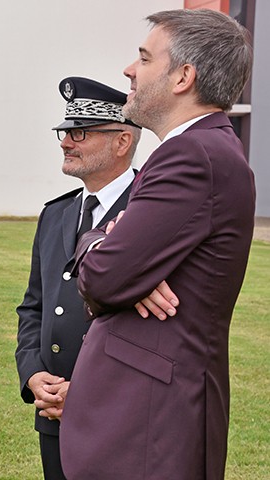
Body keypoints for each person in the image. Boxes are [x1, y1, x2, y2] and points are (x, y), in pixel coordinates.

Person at [60, 9, 254, 480]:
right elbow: (119, 269)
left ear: (183, 76)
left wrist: (102, 243)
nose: (129, 69)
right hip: (145, 418)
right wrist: (117, 247)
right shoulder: (198, 151)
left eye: (145, 58)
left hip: (148, 424)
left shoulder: (193, 155)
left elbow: (104, 278)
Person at [15, 76, 141, 480]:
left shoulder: (148, 210)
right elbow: (34, 305)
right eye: (65, 132)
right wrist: (33, 373)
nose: (66, 142)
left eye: (80, 133)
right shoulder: (56, 214)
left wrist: (86, 392)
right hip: (53, 411)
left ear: (122, 141)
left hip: (120, 413)